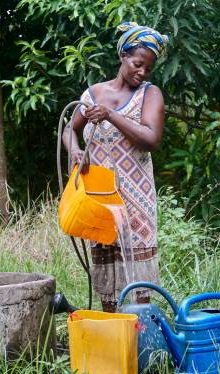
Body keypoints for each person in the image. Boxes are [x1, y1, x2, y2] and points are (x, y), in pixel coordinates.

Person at [62, 22, 169, 312]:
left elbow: (150, 139)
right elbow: (69, 130)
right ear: (123, 55)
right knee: (107, 269)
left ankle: (140, 340)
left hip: (136, 201)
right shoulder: (93, 94)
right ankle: (112, 339)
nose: (142, 72)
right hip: (101, 197)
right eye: (137, 64)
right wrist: (74, 151)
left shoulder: (150, 94)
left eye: (148, 68)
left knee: (138, 278)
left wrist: (110, 115)